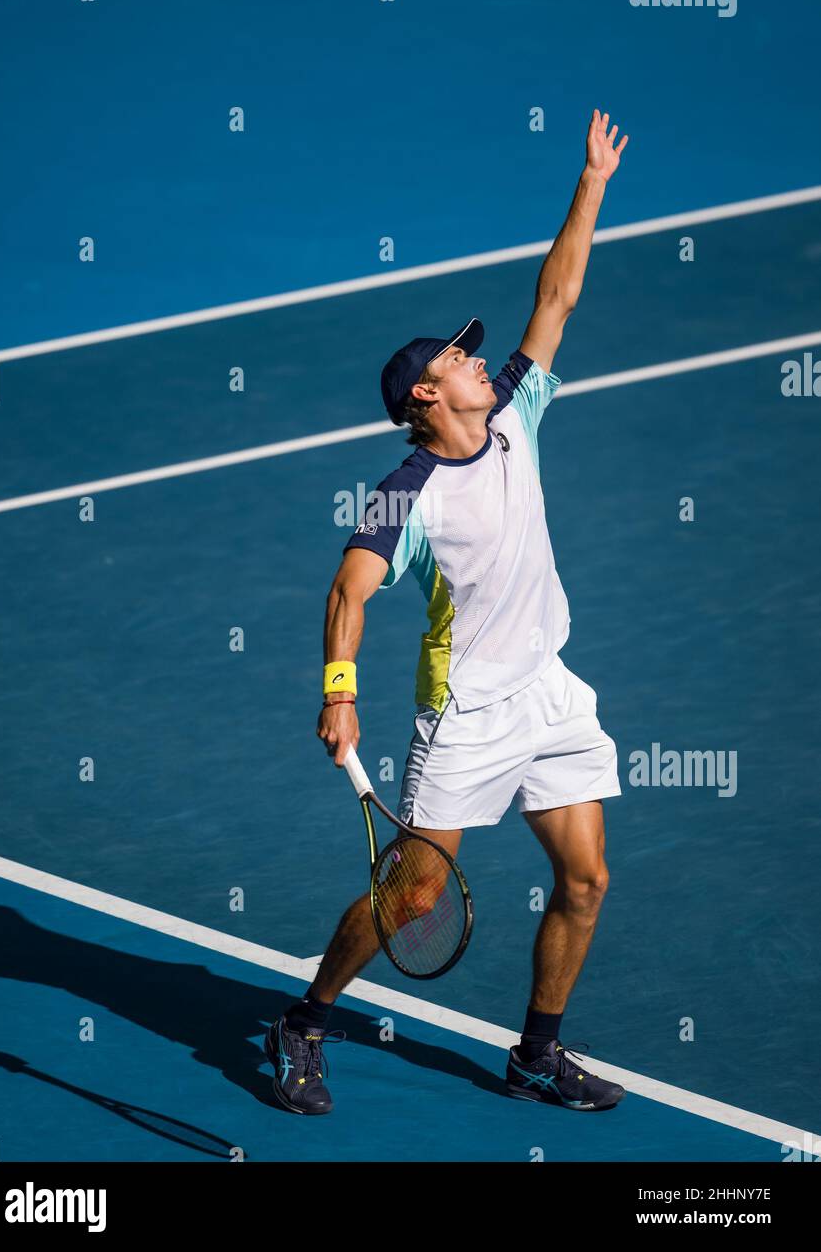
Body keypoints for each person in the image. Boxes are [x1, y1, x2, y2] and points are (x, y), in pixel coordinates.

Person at [267, 110, 630, 1115]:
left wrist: (590, 182)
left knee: (587, 879)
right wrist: (339, 689)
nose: (482, 360)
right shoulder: (402, 493)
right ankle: (305, 1016)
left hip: (546, 693)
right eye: (459, 359)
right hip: (464, 711)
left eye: (477, 356)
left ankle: (534, 1054)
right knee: (414, 894)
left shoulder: (515, 409)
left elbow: (554, 294)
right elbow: (347, 588)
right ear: (425, 395)